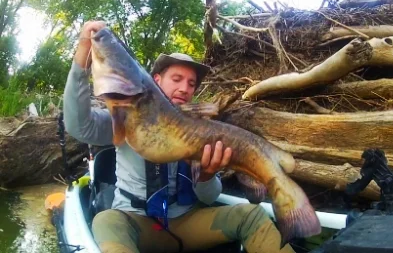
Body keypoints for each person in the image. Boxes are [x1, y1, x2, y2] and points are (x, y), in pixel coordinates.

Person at [63, 20, 295, 253]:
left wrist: (206, 176)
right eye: (176, 79)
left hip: (187, 221)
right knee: (105, 221)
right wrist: (84, 51)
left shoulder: (202, 129)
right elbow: (78, 126)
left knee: (251, 215)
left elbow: (209, 197)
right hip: (136, 222)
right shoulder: (124, 114)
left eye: (191, 83)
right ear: (156, 80)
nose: (184, 88)